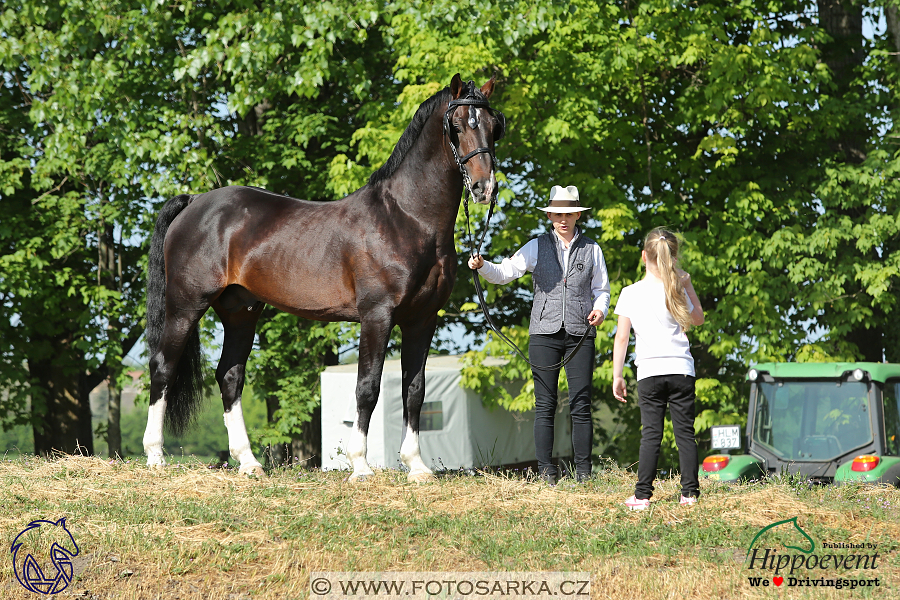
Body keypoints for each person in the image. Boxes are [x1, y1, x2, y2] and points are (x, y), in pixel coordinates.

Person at [469, 185, 610, 485]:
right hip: (544, 334)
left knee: (581, 405)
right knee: (544, 405)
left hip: (580, 333)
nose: (563, 219)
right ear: (549, 215)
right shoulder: (535, 246)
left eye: (569, 214)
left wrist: (601, 310)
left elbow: (602, 291)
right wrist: (482, 267)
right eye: (558, 213)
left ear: (576, 216)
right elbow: (505, 272)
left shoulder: (592, 249)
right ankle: (547, 472)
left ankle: (584, 474)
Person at [611, 227, 705, 510]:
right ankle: (689, 494)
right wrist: (687, 284)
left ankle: (642, 496)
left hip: (649, 373)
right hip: (680, 369)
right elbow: (698, 319)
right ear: (673, 257)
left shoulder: (630, 293)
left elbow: (622, 337)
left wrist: (617, 375)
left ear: (643, 256)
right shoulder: (677, 289)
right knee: (684, 433)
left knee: (651, 433)